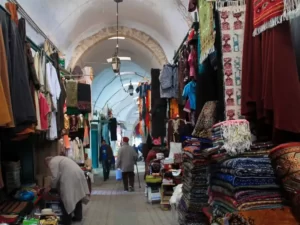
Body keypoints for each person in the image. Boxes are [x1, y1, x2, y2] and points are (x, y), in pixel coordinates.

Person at [45, 156, 89, 225]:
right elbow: (58, 175)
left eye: (47, 166)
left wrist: (51, 187)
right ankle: (78, 216)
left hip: (70, 176)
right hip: (78, 173)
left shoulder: (52, 162)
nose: (48, 168)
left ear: (47, 163)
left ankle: (66, 221)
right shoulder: (59, 158)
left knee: (66, 199)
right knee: (77, 195)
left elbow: (55, 177)